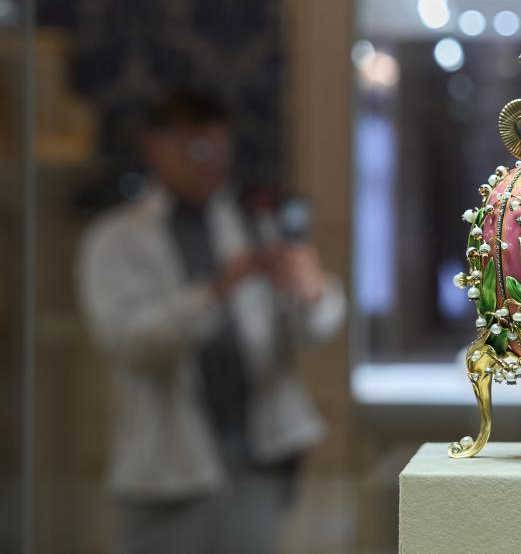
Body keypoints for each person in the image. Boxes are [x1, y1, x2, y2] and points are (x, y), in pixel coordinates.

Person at [77, 90, 346, 554]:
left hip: (258, 459)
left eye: (221, 149)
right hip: (166, 467)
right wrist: (216, 292)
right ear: (155, 147)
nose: (211, 163)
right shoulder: (114, 239)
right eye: (197, 149)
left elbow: (316, 328)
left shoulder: (256, 224)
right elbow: (130, 344)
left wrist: (313, 291)